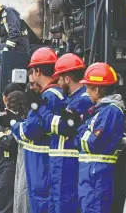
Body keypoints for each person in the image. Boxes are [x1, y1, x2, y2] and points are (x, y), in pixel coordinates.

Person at [34, 53, 94, 213]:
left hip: (67, 162)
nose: (58, 84)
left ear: (67, 78)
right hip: (60, 161)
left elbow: (62, 126)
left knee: (64, 206)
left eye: (59, 79)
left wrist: (40, 110)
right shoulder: (73, 99)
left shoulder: (82, 100)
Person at [12, 47, 67, 213]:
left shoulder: (47, 96)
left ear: (37, 71)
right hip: (49, 160)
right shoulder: (59, 94)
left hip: (40, 162)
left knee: (41, 201)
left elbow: (29, 130)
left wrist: (14, 124)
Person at [76, 63, 125, 213]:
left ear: (97, 89)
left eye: (88, 87)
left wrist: (81, 129)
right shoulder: (102, 111)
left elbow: (92, 141)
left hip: (97, 177)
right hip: (93, 175)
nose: (86, 91)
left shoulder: (110, 111)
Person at [0, 85, 26, 213]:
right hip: (8, 165)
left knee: (5, 203)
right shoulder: (19, 122)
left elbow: (7, 143)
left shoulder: (19, 123)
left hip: (9, 165)